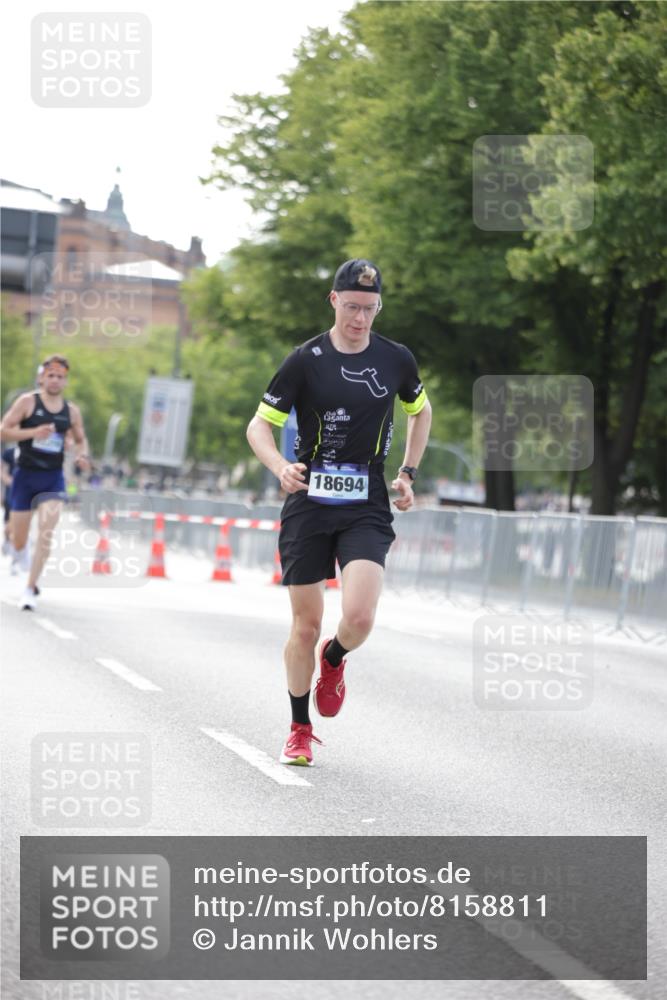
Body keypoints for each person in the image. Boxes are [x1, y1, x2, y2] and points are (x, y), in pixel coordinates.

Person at [246, 259, 432, 766]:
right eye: (351, 307)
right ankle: (299, 729)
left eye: (369, 309)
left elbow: (421, 411)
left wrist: (408, 473)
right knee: (304, 626)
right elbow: (259, 426)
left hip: (366, 499)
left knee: (360, 617)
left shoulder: (396, 359)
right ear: (333, 300)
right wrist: (281, 466)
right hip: (309, 499)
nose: (359, 319)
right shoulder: (305, 359)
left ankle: (335, 658)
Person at [0, 355, 90, 610]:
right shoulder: (28, 402)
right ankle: (19, 549)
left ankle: (30, 588)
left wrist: (82, 455)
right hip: (24, 477)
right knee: (19, 540)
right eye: (50, 375)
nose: (54, 380)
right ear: (42, 378)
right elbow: (3, 430)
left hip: (52, 479)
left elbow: (80, 439)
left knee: (46, 533)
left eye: (60, 376)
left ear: (66, 381)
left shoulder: (71, 412)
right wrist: (32, 433)